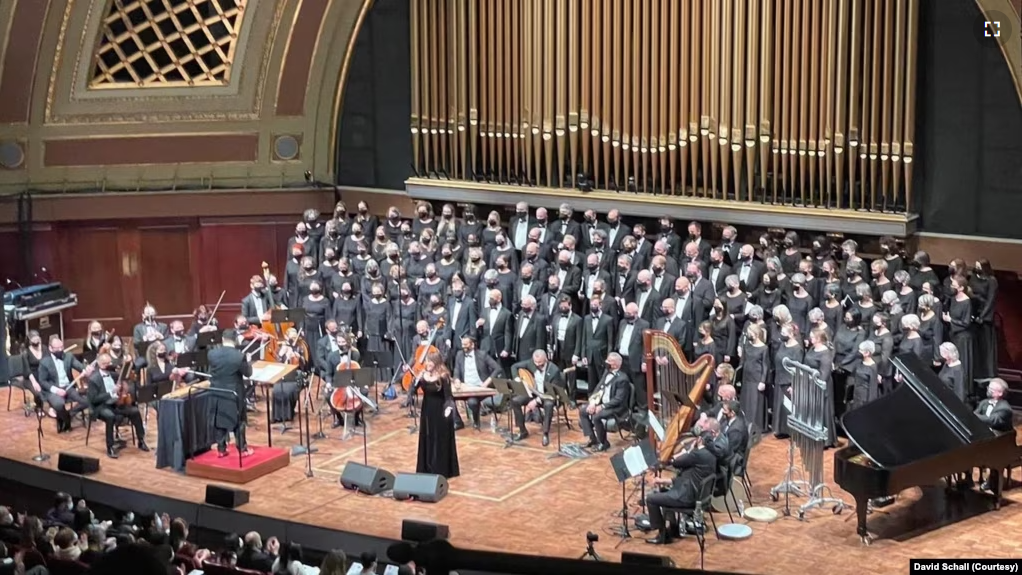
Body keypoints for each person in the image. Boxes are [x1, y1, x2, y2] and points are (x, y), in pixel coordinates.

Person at [643, 422, 718, 545]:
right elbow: (689, 477)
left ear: (699, 440)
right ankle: (673, 528)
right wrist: (663, 481)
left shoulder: (697, 454)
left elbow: (677, 463)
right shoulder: (711, 455)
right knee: (662, 491)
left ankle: (662, 534)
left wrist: (688, 450)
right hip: (697, 494)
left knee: (651, 498)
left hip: (687, 498)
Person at [86, 353, 148, 459]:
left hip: (116, 403)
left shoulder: (113, 374)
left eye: (111, 362)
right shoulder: (94, 379)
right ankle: (110, 447)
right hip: (101, 406)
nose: (111, 364)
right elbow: (94, 399)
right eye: (107, 363)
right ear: (100, 364)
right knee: (110, 416)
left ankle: (141, 440)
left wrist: (126, 374)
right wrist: (111, 392)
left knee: (135, 411)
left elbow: (125, 377)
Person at [208, 331, 254, 457]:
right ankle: (242, 449)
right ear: (235, 340)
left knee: (220, 420)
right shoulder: (239, 356)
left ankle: (221, 449)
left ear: (223, 339)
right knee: (240, 421)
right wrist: (248, 361)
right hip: (234, 393)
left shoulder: (212, 354)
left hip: (217, 391)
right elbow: (248, 373)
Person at [415, 351, 460, 478]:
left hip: (441, 412)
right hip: (427, 411)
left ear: (436, 362)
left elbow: (448, 397)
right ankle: (427, 467)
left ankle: (441, 468)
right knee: (427, 437)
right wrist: (417, 379)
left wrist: (448, 409)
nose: (427, 364)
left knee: (439, 439)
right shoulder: (424, 376)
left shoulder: (443, 377)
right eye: (427, 361)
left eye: (430, 361)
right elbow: (412, 390)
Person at [578, 353, 631, 451]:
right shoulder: (607, 372)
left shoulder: (623, 379)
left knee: (597, 416)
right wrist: (593, 403)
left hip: (616, 408)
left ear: (615, 364)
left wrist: (602, 407)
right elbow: (598, 388)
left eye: (609, 361)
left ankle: (603, 442)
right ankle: (592, 438)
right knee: (583, 411)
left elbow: (618, 400)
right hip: (602, 403)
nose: (606, 362)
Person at [509, 350, 564, 446]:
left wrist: (536, 401)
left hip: (548, 396)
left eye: (540, 362)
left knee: (549, 405)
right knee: (515, 401)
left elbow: (552, 392)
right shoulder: (531, 363)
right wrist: (518, 379)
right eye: (536, 362)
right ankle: (523, 431)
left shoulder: (554, 370)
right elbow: (514, 366)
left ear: (546, 359)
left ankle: (545, 433)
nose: (538, 365)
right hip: (534, 393)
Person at [38, 335, 87, 433]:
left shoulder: (68, 356)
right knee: (59, 404)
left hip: (69, 387)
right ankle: (66, 420)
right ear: (50, 348)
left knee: (87, 401)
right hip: (54, 389)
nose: (60, 350)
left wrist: (86, 369)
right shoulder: (44, 362)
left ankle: (68, 415)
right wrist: (57, 390)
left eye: (62, 347)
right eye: (57, 348)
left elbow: (80, 366)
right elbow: (42, 381)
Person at [452, 336, 503, 430]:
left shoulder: (482, 355)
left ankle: (476, 421)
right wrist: (457, 380)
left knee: (472, 402)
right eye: (462, 344)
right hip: (465, 387)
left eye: (466, 344)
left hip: (479, 388)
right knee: (449, 398)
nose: (463, 346)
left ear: (472, 345)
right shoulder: (459, 354)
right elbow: (456, 370)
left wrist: (487, 381)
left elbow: (498, 368)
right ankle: (458, 422)